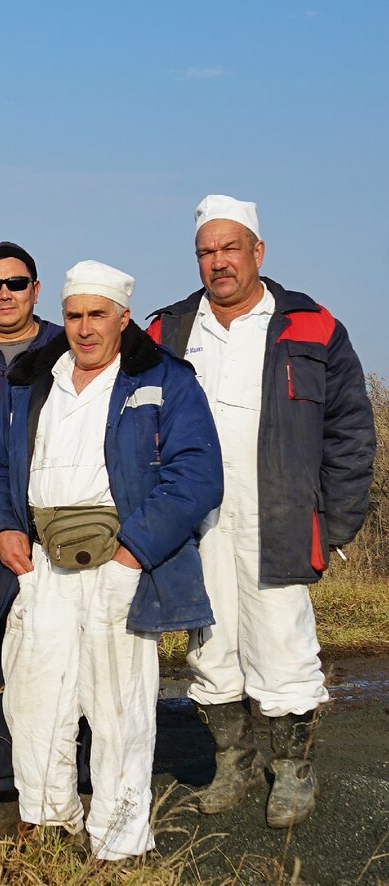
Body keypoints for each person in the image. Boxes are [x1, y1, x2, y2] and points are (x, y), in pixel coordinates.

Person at [0, 260, 222, 860]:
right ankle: (45, 818)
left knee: (118, 706)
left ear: (123, 317)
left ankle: (119, 840)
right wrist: (3, 529)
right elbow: (1, 470)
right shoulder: (31, 381)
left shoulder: (163, 378)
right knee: (35, 697)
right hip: (41, 565)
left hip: (121, 562)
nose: (84, 328)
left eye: (97, 315)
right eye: (73, 316)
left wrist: (133, 555)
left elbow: (197, 475)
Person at [147, 196, 376, 828]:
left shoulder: (312, 325)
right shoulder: (167, 332)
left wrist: (334, 525)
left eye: (231, 248)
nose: (219, 262)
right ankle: (234, 764)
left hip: (279, 515)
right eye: (207, 251)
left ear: (258, 251)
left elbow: (350, 432)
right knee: (208, 645)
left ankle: (294, 772)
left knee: (283, 644)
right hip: (195, 522)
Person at [0, 241, 88, 805]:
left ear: (36, 288)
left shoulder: (68, 344)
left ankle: (74, 765)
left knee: (66, 653)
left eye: (16, 283)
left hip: (58, 525)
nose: (4, 294)